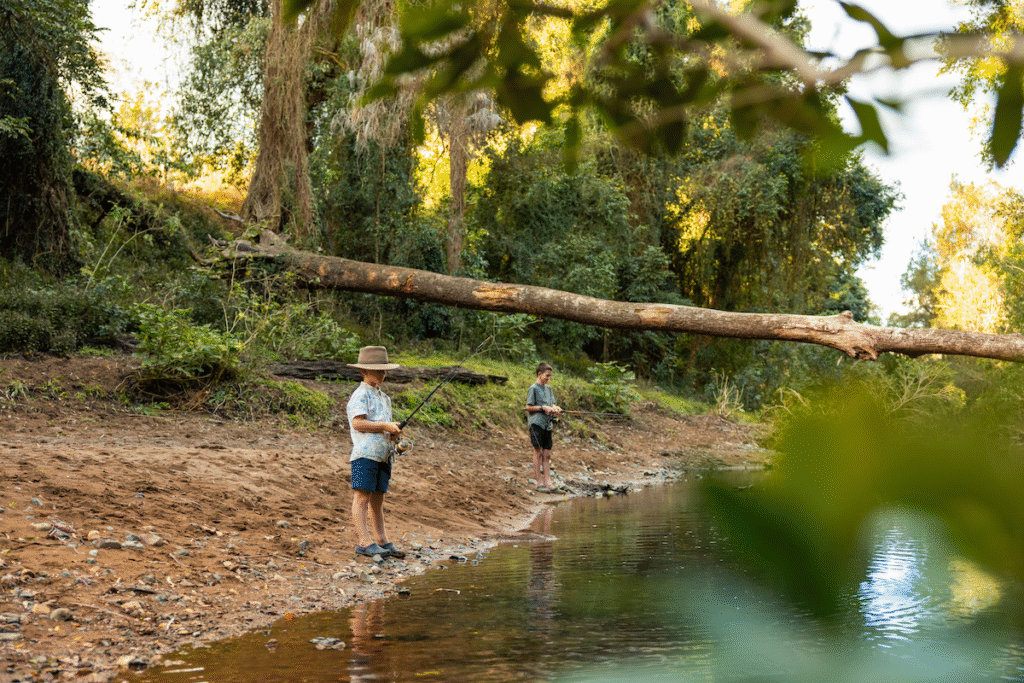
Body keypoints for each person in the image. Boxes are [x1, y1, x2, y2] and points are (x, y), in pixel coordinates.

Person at [346, 345, 406, 559]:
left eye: (384, 370)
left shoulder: (385, 398)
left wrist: (394, 435)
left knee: (378, 500)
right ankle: (363, 542)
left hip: (384, 456)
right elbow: (357, 423)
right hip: (364, 455)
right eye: (378, 370)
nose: (383, 374)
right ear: (364, 371)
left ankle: (381, 540)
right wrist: (385, 426)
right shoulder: (360, 395)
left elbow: (385, 427)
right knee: (361, 498)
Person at [526, 362, 563, 493]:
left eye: (550, 376)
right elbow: (528, 407)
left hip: (548, 425)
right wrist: (543, 408)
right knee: (538, 451)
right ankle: (538, 483)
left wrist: (555, 408)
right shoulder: (533, 388)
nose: (548, 378)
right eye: (547, 376)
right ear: (539, 374)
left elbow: (552, 403)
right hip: (536, 423)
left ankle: (549, 483)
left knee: (547, 454)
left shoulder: (549, 389)